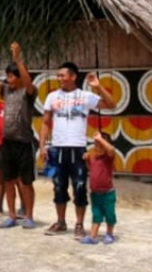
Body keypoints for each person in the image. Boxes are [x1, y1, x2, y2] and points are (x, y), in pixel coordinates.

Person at [39, 64, 115, 238]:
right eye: (57, 75)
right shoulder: (52, 96)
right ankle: (61, 222)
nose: (59, 79)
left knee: (79, 186)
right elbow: (45, 122)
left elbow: (111, 104)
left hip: (77, 147)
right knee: (59, 186)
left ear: (73, 77)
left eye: (62, 75)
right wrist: (43, 146)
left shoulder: (85, 96)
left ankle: (79, 224)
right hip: (57, 147)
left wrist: (98, 87)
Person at [0, 36, 38, 229]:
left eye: (11, 76)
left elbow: (28, 83)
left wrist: (18, 60)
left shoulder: (29, 92)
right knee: (9, 180)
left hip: (24, 142)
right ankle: (11, 215)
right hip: (7, 142)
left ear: (18, 76)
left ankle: (28, 215)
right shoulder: (6, 91)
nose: (7, 80)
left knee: (26, 182)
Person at [80, 132, 117, 244]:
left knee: (110, 215)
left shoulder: (108, 158)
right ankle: (93, 236)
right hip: (95, 193)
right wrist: (86, 160)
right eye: (96, 144)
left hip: (108, 193)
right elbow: (91, 169)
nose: (98, 147)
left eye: (101, 144)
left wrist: (100, 139)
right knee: (96, 215)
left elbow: (111, 150)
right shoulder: (93, 157)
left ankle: (109, 234)